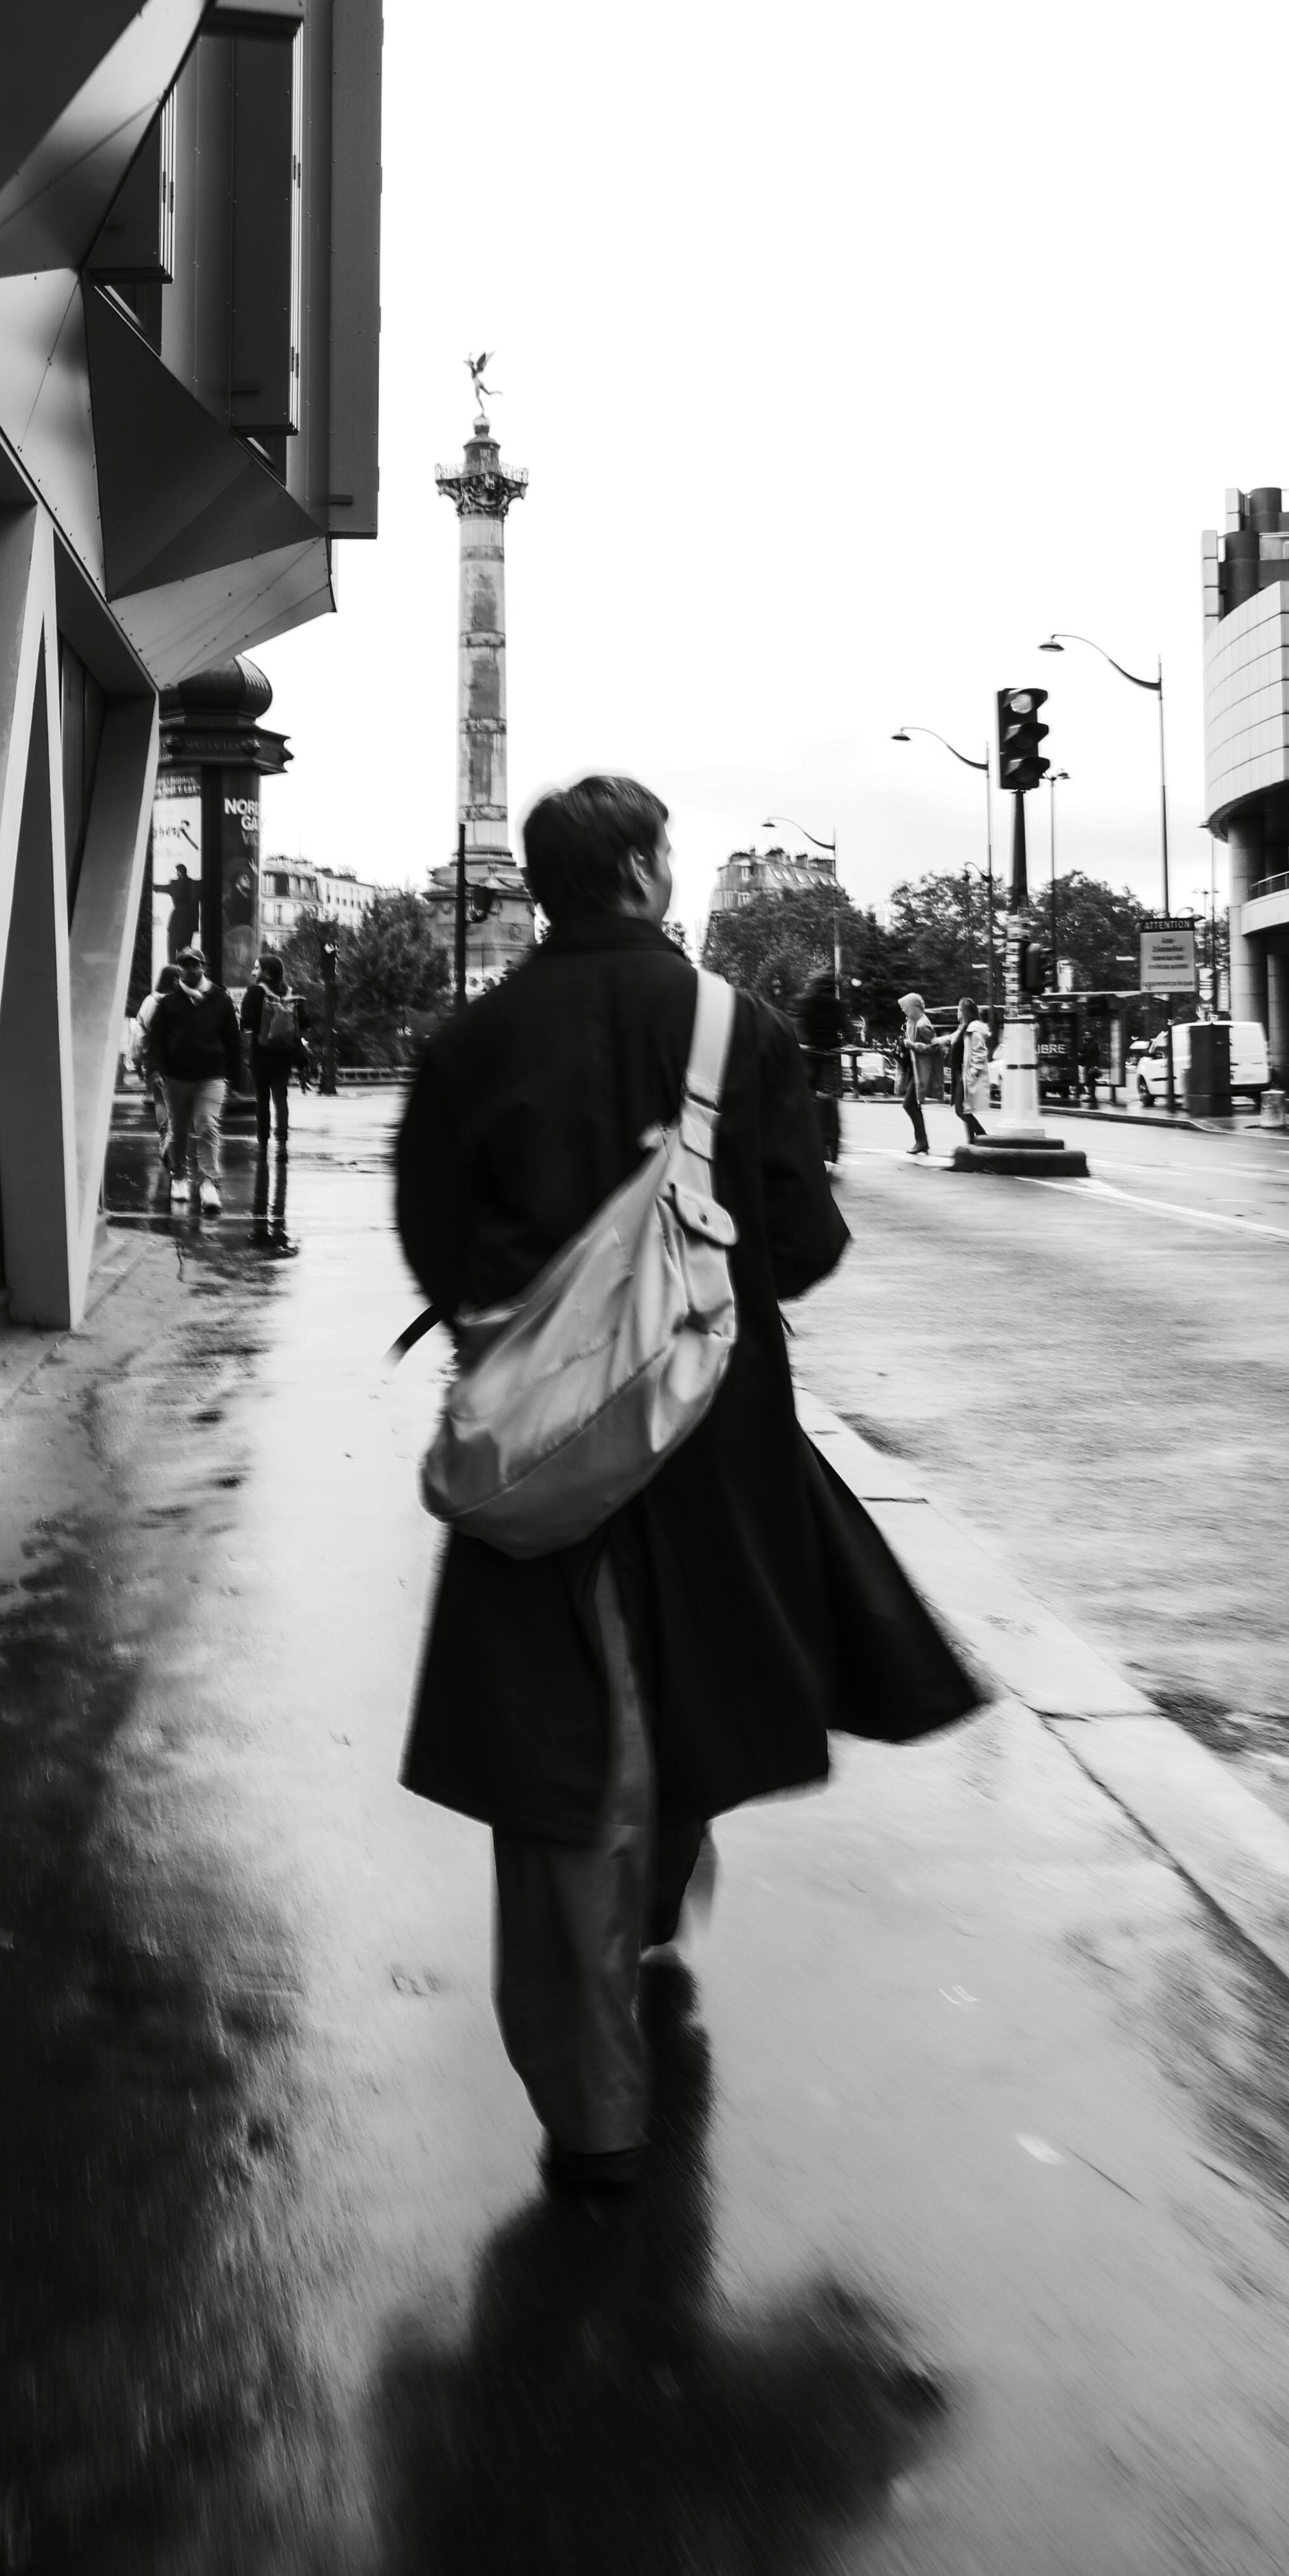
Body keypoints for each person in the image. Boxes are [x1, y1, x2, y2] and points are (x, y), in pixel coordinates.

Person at [394, 772, 979, 2191]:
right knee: (692, 1681)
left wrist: (544, 1325)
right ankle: (651, 1914)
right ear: (650, 874)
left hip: (540, 1449)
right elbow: (808, 1241)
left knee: (560, 1741)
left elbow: (431, 1233)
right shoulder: (738, 1029)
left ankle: (588, 2098)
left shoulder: (470, 1040)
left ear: (542, 887)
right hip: (711, 1439)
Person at [144, 946, 244, 1212]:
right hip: (176, 1076)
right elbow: (155, 1040)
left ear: (203, 967)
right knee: (178, 1130)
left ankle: (208, 1182)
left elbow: (233, 1041)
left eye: (195, 964)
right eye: (185, 965)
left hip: (212, 1075)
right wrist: (153, 1069)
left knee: (207, 1125)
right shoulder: (168, 1003)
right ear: (180, 970)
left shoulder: (220, 1000)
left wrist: (236, 1078)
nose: (191, 970)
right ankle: (179, 1177)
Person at [239, 950, 304, 1166]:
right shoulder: (290, 993)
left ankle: (262, 1146)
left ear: (266, 972)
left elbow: (245, 1023)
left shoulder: (255, 992)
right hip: (283, 1055)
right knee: (281, 1098)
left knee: (262, 1100)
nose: (253, 972)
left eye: (257, 968)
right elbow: (305, 1022)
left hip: (261, 1054)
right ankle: (283, 1146)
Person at [795, 968, 847, 1171]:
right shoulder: (836, 1005)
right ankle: (831, 1145)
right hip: (827, 1056)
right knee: (827, 1099)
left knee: (809, 1098)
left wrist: (805, 1043)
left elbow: (800, 1029)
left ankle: (814, 1143)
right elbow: (845, 1028)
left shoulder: (806, 1002)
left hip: (811, 1056)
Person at [894, 993, 933, 1157]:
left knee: (909, 1104)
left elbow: (933, 1047)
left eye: (905, 1008)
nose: (904, 1012)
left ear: (914, 1007)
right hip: (913, 1068)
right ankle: (921, 1141)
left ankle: (922, 1141)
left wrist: (912, 1045)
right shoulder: (911, 1022)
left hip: (920, 1070)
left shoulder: (923, 1024)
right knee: (913, 1105)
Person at [952, 996, 992, 1142]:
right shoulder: (965, 1028)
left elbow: (980, 1053)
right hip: (961, 1074)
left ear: (965, 1012)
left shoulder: (974, 1030)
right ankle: (972, 1142)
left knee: (961, 1110)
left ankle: (982, 1137)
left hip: (965, 1075)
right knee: (964, 1110)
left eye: (959, 1009)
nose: (957, 1012)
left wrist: (972, 1073)